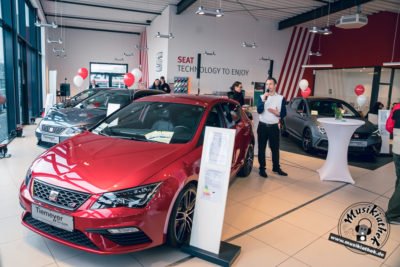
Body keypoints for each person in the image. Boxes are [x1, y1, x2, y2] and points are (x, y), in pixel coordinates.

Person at [256, 77, 288, 178]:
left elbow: (283, 113)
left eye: (270, 84)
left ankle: (276, 167)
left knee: (275, 148)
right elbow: (259, 111)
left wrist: (276, 112)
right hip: (262, 126)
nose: (268, 86)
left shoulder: (281, 98)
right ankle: (262, 168)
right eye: (267, 84)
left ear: (275, 85)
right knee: (262, 148)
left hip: (274, 127)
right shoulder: (262, 96)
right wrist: (264, 100)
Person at [385, 103, 400, 225]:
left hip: (397, 148)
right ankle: (393, 214)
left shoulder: (397, 107)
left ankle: (396, 209)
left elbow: (389, 127)